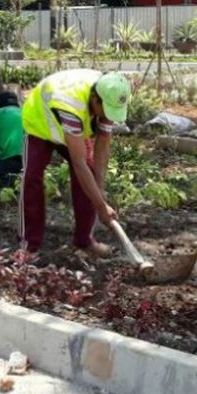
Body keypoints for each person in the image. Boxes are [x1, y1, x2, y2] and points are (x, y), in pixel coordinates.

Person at [19, 69, 130, 256]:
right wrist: (101, 207)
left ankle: (84, 241)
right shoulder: (70, 104)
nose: (108, 116)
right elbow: (78, 163)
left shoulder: (110, 94)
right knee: (32, 178)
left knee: (89, 176)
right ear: (95, 100)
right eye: (106, 111)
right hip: (41, 124)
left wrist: (99, 192)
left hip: (73, 127)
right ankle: (29, 246)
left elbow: (102, 147)